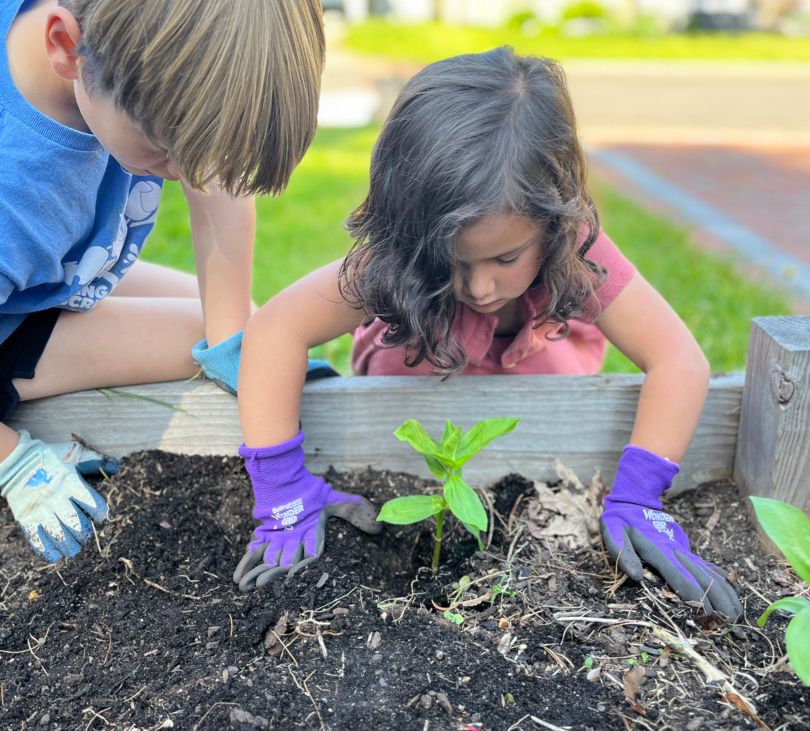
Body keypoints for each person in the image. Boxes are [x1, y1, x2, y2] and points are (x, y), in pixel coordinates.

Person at [231, 46, 743, 619]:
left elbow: (679, 359)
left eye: (505, 258)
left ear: (555, 219)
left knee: (554, 388)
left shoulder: (575, 248)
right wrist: (282, 493)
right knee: (410, 373)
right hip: (416, 368)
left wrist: (639, 495)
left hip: (535, 369)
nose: (478, 286)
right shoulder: (396, 258)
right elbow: (275, 328)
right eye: (452, 260)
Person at [0, 0, 326, 564]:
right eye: (169, 152)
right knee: (190, 341)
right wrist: (14, 461)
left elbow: (215, 175)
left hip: (46, 273)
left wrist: (234, 337)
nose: (189, 175)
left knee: (251, 334)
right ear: (66, 48)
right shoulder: (12, 187)